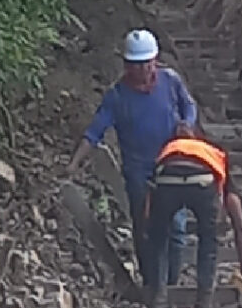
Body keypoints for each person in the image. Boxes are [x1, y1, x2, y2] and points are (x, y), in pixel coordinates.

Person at [66, 29, 195, 289]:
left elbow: (189, 106)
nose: (143, 71)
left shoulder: (170, 81)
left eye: (147, 64)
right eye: (136, 66)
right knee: (145, 226)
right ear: (126, 66)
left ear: (155, 61)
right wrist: (74, 163)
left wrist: (187, 124)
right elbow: (95, 132)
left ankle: (171, 284)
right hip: (139, 170)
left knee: (177, 227)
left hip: (171, 162)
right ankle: (151, 284)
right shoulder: (118, 96)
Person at [143, 133, 242, 308]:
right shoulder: (216, 156)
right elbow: (240, 226)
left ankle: (158, 301)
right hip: (203, 179)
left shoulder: (170, 148)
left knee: (158, 240)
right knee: (208, 242)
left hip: (167, 177)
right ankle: (203, 304)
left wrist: (152, 226)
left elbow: (149, 201)